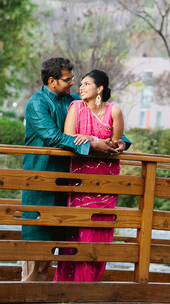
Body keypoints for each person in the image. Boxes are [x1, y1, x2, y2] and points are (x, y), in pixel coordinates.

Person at [21, 58, 129, 281]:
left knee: (65, 245)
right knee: (37, 248)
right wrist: (92, 144)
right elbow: (53, 137)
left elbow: (102, 121)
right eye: (68, 80)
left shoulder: (73, 100)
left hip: (70, 186)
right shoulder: (37, 104)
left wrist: (121, 142)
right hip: (42, 181)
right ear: (52, 81)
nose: (73, 84)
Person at [54, 69, 123, 282]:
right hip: (80, 178)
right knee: (78, 230)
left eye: (87, 84)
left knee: (99, 231)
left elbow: (115, 144)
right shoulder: (76, 107)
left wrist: (90, 138)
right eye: (81, 84)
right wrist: (94, 141)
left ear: (100, 88)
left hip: (106, 180)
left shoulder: (114, 111)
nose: (81, 87)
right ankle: (68, 285)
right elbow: (68, 138)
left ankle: (90, 283)